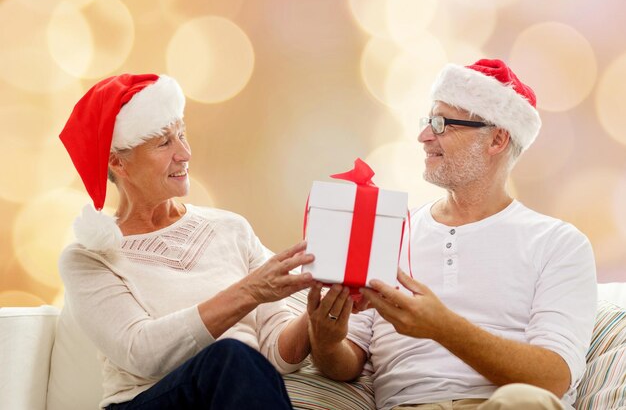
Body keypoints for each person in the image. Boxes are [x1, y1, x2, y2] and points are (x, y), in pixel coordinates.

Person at [307, 58, 597, 410]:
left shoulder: (558, 243)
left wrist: (442, 327)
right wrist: (325, 343)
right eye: (428, 121)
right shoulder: (391, 231)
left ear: (497, 140)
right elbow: (346, 362)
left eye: (442, 123)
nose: (424, 136)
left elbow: (552, 379)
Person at [58, 73, 315, 410]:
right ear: (118, 162)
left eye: (182, 134)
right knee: (230, 357)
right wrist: (249, 291)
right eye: (164, 143)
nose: (184, 152)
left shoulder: (231, 228)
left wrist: (317, 314)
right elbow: (141, 352)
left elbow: (277, 354)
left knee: (235, 362)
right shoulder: (89, 258)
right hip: (145, 402)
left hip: (234, 394)